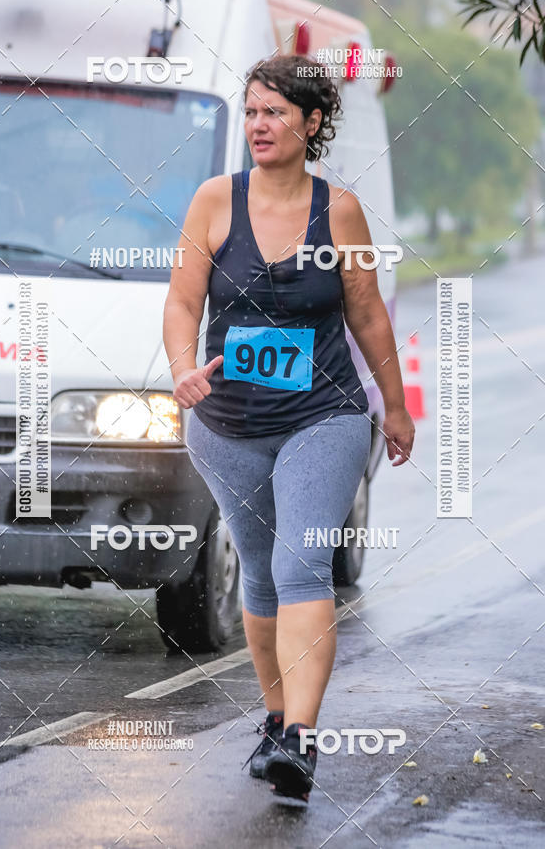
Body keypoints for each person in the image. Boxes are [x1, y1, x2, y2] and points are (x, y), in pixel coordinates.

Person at [163, 55, 415, 802]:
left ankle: (301, 741)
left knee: (304, 563)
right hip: (227, 424)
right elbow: (182, 303)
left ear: (311, 123)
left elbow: (367, 312)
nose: (259, 126)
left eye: (275, 112)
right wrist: (182, 366)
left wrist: (393, 407)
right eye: (250, 112)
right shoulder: (214, 201)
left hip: (323, 415)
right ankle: (275, 719)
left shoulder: (340, 210)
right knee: (262, 569)